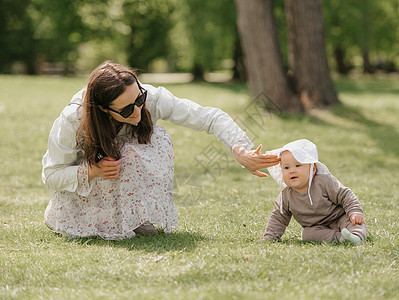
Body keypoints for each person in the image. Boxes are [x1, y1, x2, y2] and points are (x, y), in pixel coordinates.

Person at [42, 61, 280, 240]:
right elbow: (51, 175)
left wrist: (240, 150)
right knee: (126, 151)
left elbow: (211, 118)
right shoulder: (73, 121)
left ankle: (138, 218)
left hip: (120, 184)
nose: (137, 111)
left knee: (157, 138)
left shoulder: (151, 99)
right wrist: (92, 170)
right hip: (88, 193)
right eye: (126, 110)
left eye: (139, 99)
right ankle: (102, 219)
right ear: (103, 110)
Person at [260, 139, 367, 245]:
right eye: (286, 167)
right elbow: (278, 218)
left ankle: (356, 236)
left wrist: (355, 211)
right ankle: (341, 238)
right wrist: (269, 237)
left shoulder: (324, 182)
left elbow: (345, 195)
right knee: (307, 234)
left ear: (313, 169)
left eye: (298, 165)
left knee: (354, 222)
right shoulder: (285, 196)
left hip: (339, 218)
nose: (292, 170)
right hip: (317, 227)